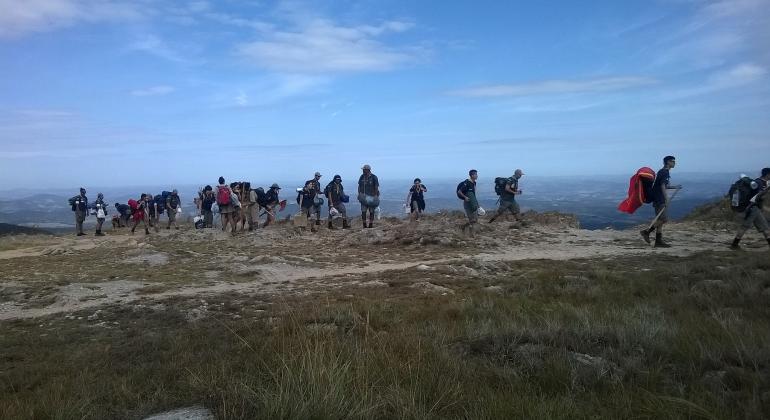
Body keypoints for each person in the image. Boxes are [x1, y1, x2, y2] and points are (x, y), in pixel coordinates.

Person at [640, 156, 682, 247]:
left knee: (660, 220)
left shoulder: (662, 171)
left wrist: (675, 187)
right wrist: (666, 199)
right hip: (660, 199)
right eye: (672, 161)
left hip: (657, 198)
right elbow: (662, 186)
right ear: (667, 162)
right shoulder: (664, 172)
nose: (674, 163)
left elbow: (663, 185)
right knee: (664, 219)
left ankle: (658, 242)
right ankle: (646, 232)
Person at [730, 168, 770, 250]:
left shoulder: (759, 182)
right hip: (752, 208)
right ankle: (734, 245)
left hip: (755, 208)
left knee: (765, 227)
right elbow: (758, 197)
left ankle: (735, 244)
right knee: (745, 227)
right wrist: (764, 195)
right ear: (767, 175)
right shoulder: (759, 183)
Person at [457, 170, 480, 237]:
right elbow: (459, 192)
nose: (477, 175)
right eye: (476, 174)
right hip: (467, 204)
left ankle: (466, 229)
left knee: (475, 219)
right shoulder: (467, 183)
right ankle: (471, 234)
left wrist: (477, 203)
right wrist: (465, 197)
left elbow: (473, 195)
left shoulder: (474, 183)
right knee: (472, 219)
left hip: (473, 203)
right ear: (472, 175)